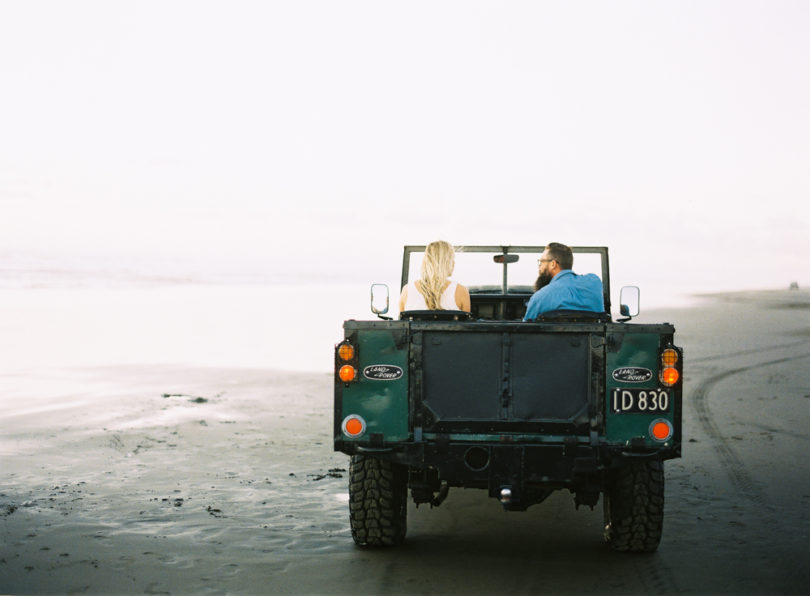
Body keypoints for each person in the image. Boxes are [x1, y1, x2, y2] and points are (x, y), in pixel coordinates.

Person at [523, 242, 604, 321]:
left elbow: (525, 329)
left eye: (541, 261)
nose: (540, 266)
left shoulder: (539, 298)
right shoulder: (594, 282)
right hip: (593, 334)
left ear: (553, 264)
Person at [399, 240, 471, 312]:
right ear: (445, 262)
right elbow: (467, 321)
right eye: (452, 259)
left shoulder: (407, 291)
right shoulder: (461, 291)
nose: (454, 263)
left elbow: (401, 322)